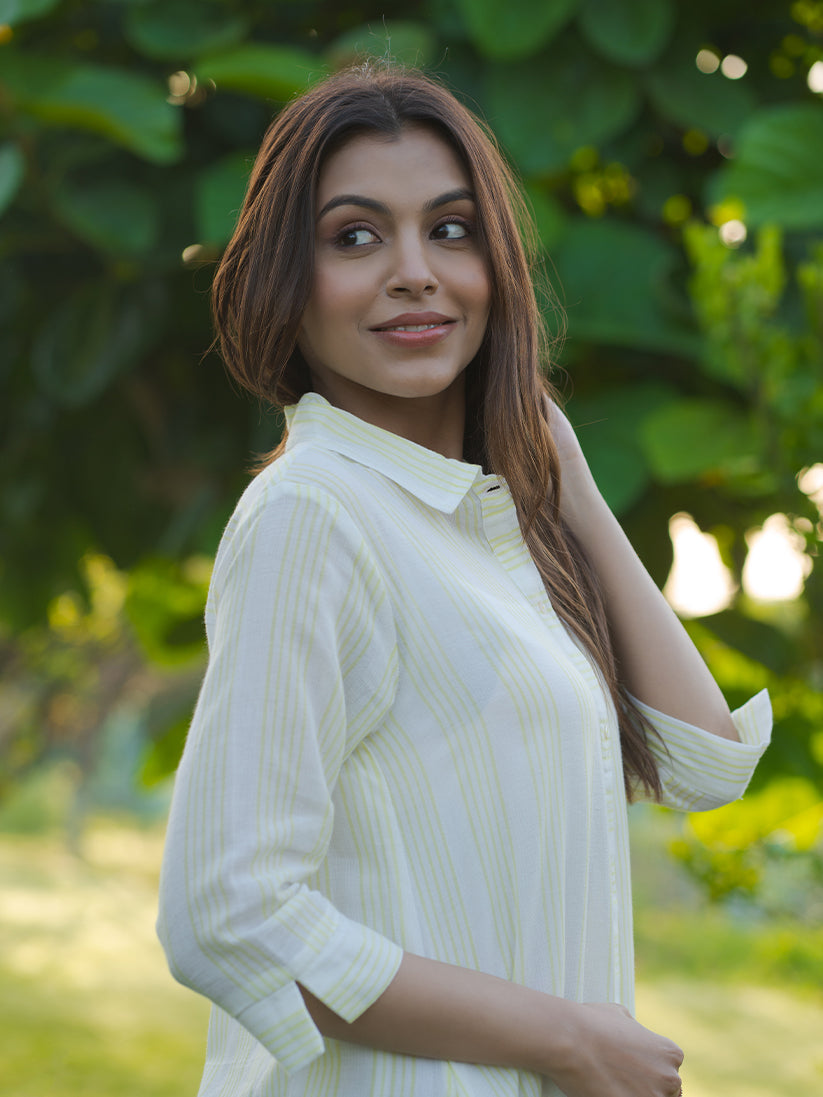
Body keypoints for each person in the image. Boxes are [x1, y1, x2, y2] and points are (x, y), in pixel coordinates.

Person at [157, 64, 771, 1097]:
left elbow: (704, 764)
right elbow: (228, 907)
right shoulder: (315, 514)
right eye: (355, 236)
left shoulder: (481, 525)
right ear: (285, 280)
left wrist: (565, 480)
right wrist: (564, 1037)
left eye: (449, 229)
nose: (414, 272)